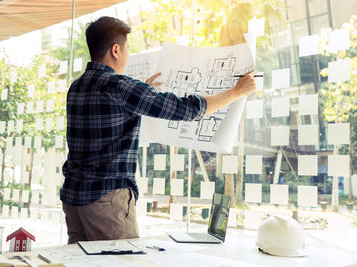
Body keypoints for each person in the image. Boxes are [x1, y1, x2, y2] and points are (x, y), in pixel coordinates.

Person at [60, 16, 256, 243]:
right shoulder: (119, 87)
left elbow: (109, 114)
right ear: (116, 50)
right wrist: (236, 92)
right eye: (127, 49)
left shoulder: (77, 86)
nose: (126, 55)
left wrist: (142, 91)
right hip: (106, 199)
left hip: (74, 197)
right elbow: (185, 110)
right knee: (120, 262)